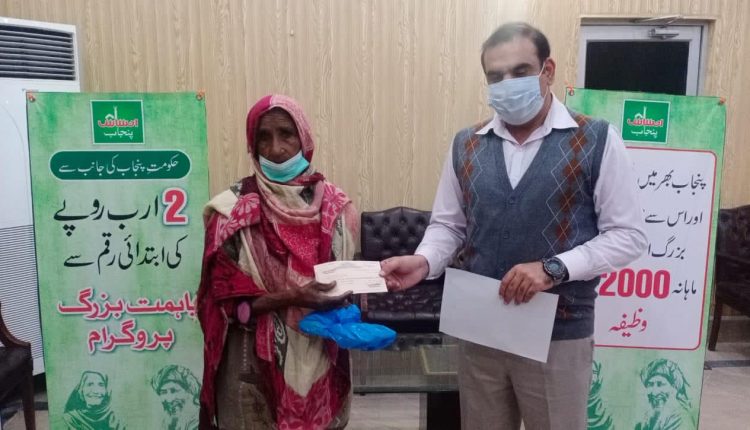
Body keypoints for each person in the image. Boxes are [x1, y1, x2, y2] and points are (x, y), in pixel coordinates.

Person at [379, 22, 647, 429]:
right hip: (480, 326)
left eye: (520, 71)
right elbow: (449, 226)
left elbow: (628, 235)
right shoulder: (467, 144)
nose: (507, 84)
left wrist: (553, 268)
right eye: (496, 76)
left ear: (547, 70)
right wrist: (425, 260)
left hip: (558, 332)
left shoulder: (596, 140)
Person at [197, 94, 359, 429]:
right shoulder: (230, 213)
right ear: (252, 145)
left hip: (322, 355)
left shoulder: (337, 208)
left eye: (286, 134)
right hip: (251, 366)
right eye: (263, 137)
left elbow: (345, 280)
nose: (276, 148)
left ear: (304, 138)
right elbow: (228, 307)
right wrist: (294, 297)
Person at [636, 359, 696, 430]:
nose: (655, 392)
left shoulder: (680, 418)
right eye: (650, 385)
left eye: (660, 384)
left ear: (674, 387)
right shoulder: (650, 418)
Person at [151, 364, 201, 430]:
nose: (169, 400)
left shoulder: (199, 420)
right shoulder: (167, 421)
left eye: (173, 391)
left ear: (189, 391)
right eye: (163, 392)